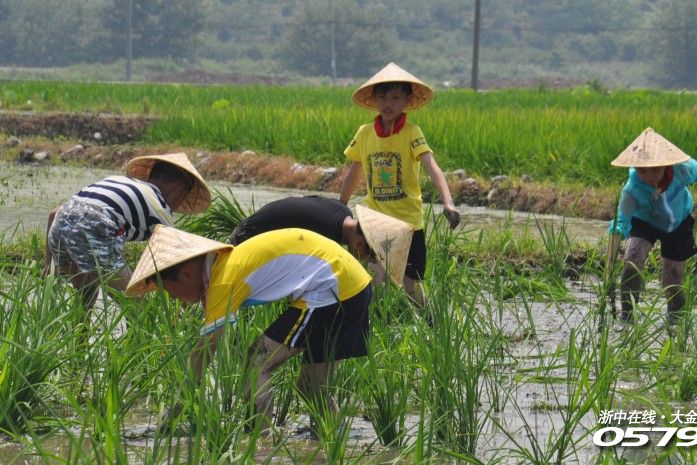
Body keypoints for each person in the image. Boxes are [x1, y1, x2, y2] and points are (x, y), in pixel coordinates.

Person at [124, 225, 373, 432]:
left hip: (331, 287)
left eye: (169, 290)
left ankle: (260, 440)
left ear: (188, 273)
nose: (174, 299)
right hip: (352, 285)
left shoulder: (223, 279)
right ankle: (330, 440)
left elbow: (204, 352)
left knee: (256, 363)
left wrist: (176, 408)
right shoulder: (224, 265)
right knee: (311, 386)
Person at [339, 62, 460, 304]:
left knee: (410, 286)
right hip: (375, 220)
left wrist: (449, 202)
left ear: (406, 100)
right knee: (372, 278)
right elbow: (355, 171)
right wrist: (340, 204)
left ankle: (429, 324)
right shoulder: (364, 134)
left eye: (395, 97)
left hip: (408, 222)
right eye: (382, 97)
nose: (388, 103)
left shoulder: (412, 132)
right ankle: (375, 327)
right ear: (374, 99)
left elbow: (431, 166)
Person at [607, 128, 697, 325]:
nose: (649, 176)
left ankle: (676, 325)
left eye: (655, 169)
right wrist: (609, 269)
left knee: (672, 282)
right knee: (631, 261)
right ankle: (627, 318)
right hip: (644, 221)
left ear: (666, 164)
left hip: (679, 223)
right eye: (642, 170)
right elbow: (620, 224)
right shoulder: (632, 189)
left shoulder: (682, 170)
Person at [44, 152, 211, 308]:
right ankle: (143, 339)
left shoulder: (121, 182)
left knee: (85, 300)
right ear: (180, 188)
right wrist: (184, 304)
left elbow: (54, 213)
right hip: (95, 229)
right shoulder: (159, 208)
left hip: (60, 228)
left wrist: (48, 266)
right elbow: (175, 266)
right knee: (138, 309)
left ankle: (79, 339)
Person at [229, 196, 414, 288]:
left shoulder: (341, 211)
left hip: (253, 232)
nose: (365, 262)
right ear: (359, 245)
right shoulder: (324, 237)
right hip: (245, 244)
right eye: (369, 259)